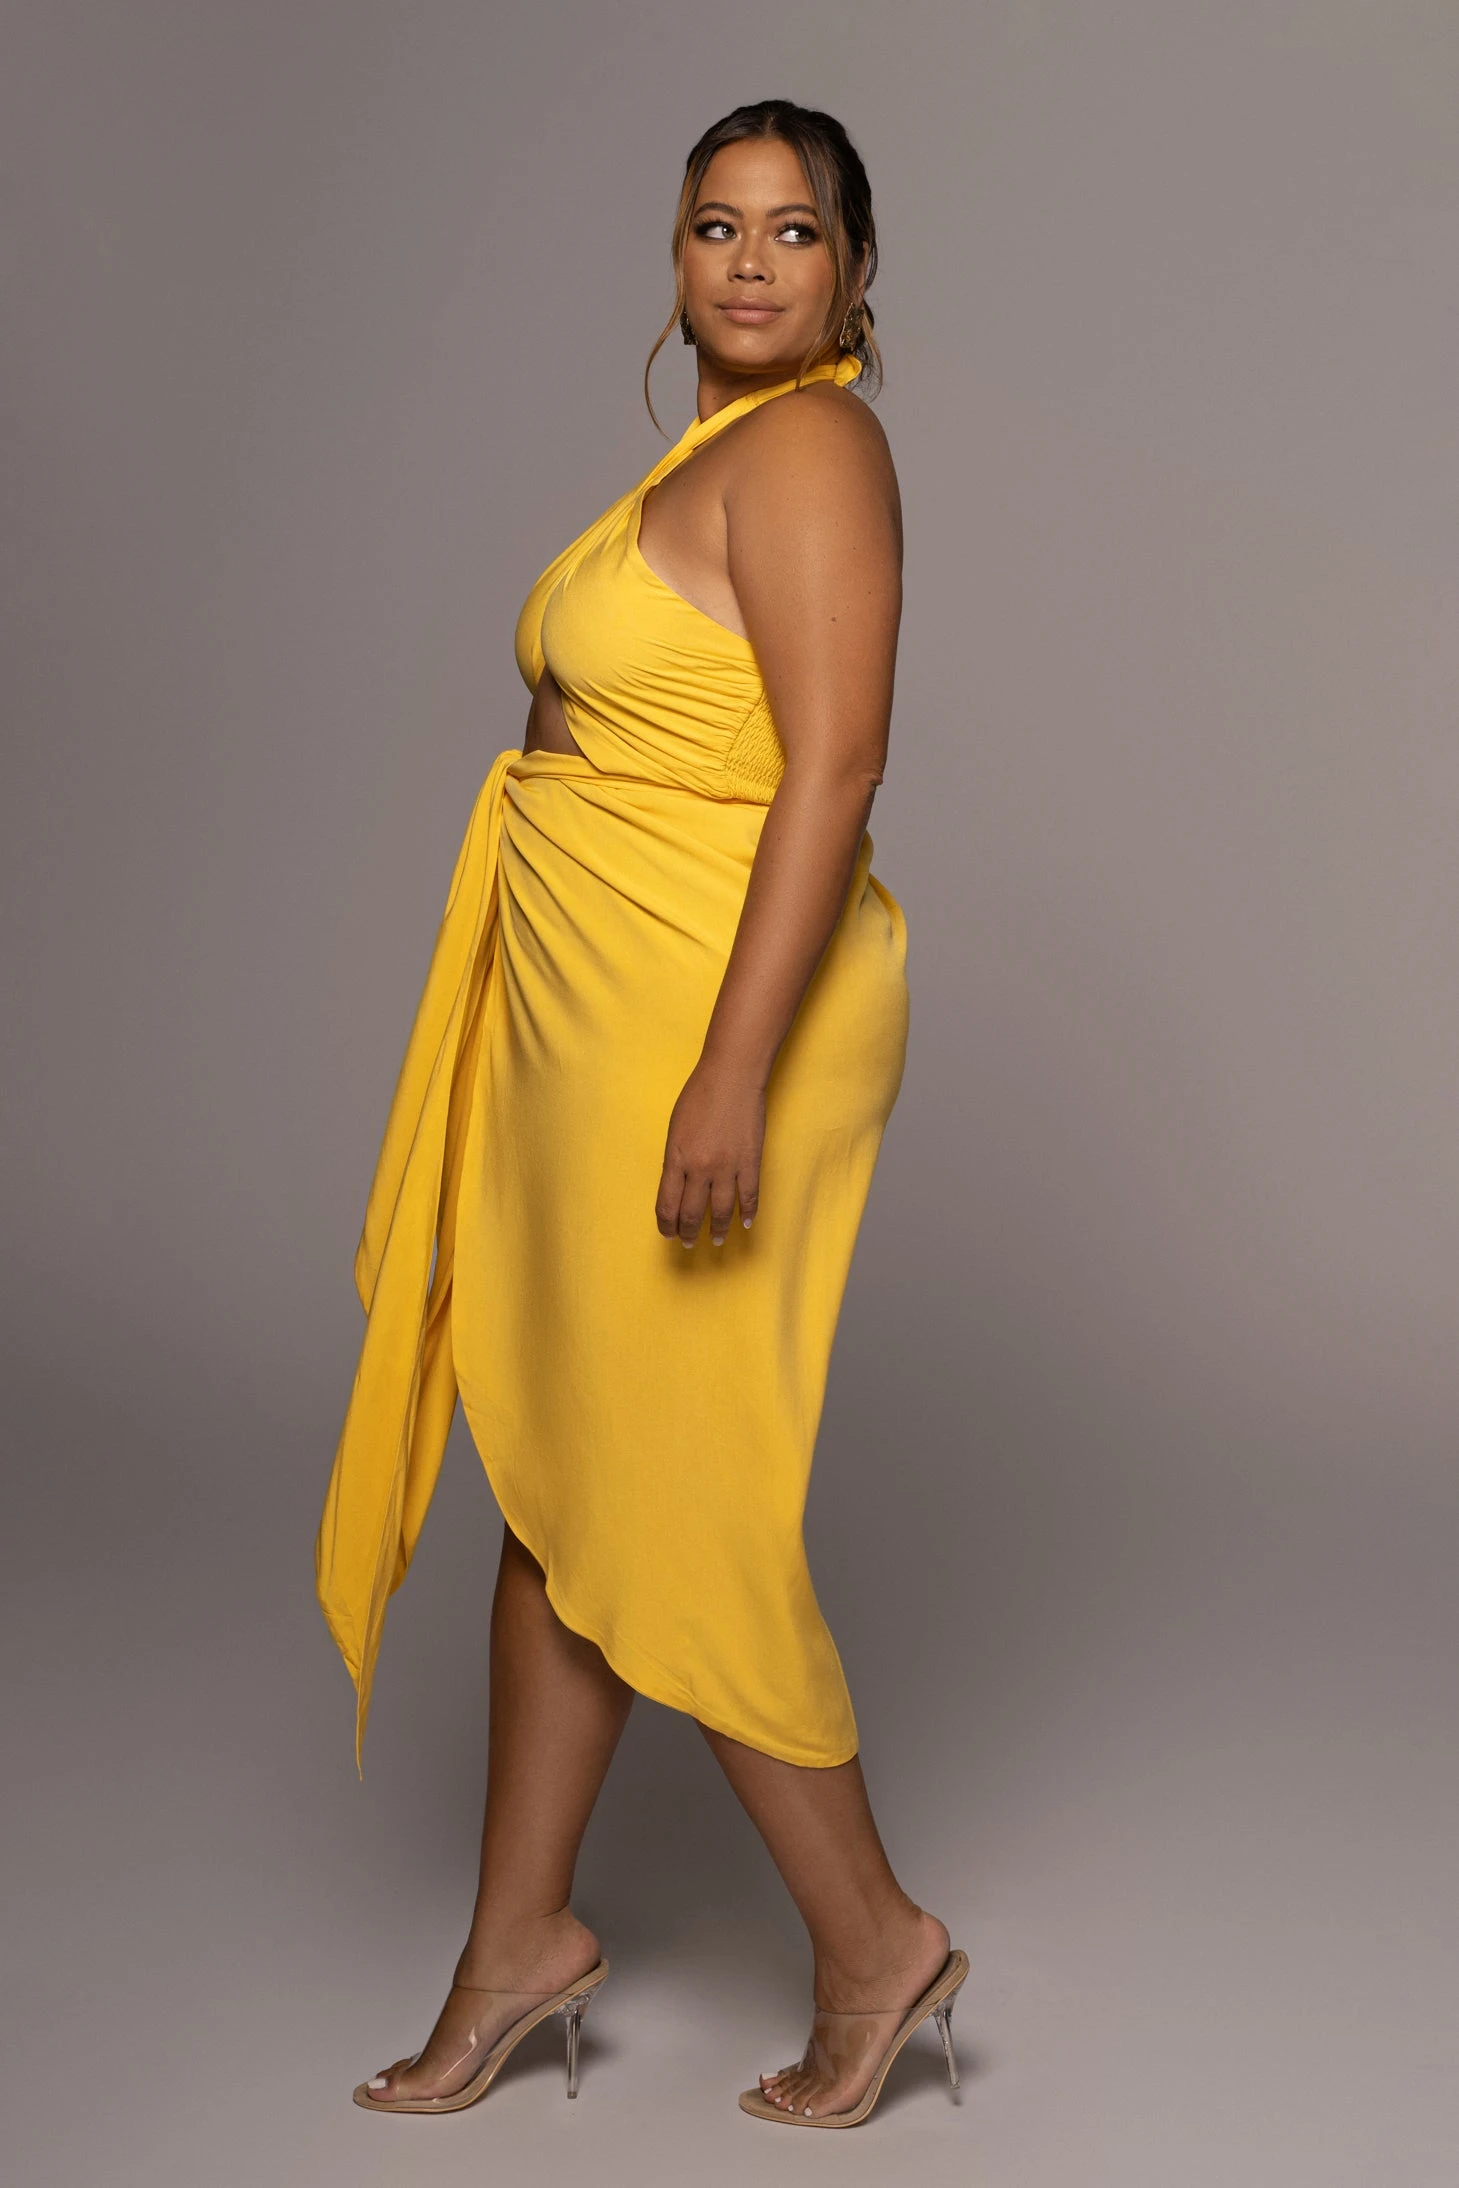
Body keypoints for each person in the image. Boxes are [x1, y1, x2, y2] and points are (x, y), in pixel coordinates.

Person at [315, 96, 964, 2131]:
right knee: (565, 1463)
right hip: (597, 1010)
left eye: (795, 229)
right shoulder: (699, 459)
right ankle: (518, 1937)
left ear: (855, 270)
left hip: (709, 1011)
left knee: (668, 1490)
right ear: (673, 264)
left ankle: (872, 1939)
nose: (752, 261)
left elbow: (834, 767)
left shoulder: (814, 451)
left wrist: (729, 1068)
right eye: (715, 226)